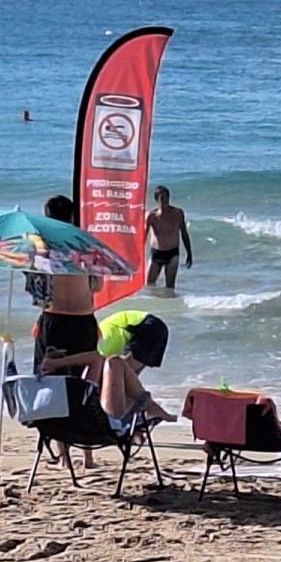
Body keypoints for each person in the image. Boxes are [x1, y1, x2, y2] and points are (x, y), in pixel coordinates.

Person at [29, 194, 103, 467]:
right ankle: (88, 454)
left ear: (47, 216)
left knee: (53, 385)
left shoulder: (39, 246)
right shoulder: (84, 242)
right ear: (72, 217)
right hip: (85, 320)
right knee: (84, 384)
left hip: (55, 320)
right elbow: (98, 287)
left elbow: (38, 294)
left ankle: (63, 458)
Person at [40, 309, 176, 424]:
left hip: (148, 328)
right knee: (126, 381)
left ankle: (151, 411)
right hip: (153, 328)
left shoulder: (101, 344)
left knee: (118, 375)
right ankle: (143, 414)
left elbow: (98, 361)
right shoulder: (99, 337)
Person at [145, 186, 193, 290]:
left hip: (172, 254)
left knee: (170, 287)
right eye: (161, 198)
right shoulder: (151, 216)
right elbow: (143, 237)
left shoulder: (178, 213)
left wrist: (189, 253)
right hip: (156, 254)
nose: (164, 201)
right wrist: (137, 256)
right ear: (156, 200)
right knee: (149, 284)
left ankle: (170, 304)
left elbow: (184, 233)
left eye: (166, 198)